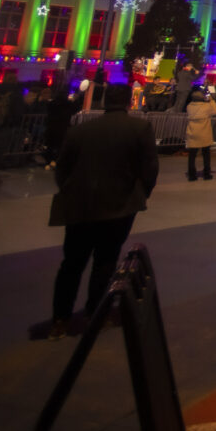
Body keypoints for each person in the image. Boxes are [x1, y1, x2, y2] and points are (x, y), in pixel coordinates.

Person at [47, 84, 158, 339]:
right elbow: (149, 168)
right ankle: (95, 312)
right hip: (119, 205)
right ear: (129, 101)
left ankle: (60, 319)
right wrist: (140, 194)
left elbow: (62, 168)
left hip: (79, 205)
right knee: (106, 261)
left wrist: (71, 191)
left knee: (71, 264)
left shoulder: (80, 130)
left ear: (104, 101)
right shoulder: (139, 128)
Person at [184, 88, 216, 181]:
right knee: (206, 154)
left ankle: (192, 175)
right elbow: (215, 111)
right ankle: (206, 173)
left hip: (192, 132)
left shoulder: (189, 106)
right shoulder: (206, 106)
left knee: (192, 155)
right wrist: (211, 101)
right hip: (204, 132)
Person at [43, 83, 76, 170]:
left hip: (51, 126)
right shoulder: (68, 104)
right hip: (63, 127)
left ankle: (48, 161)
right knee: (60, 146)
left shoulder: (52, 103)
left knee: (50, 145)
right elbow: (75, 110)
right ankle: (56, 161)